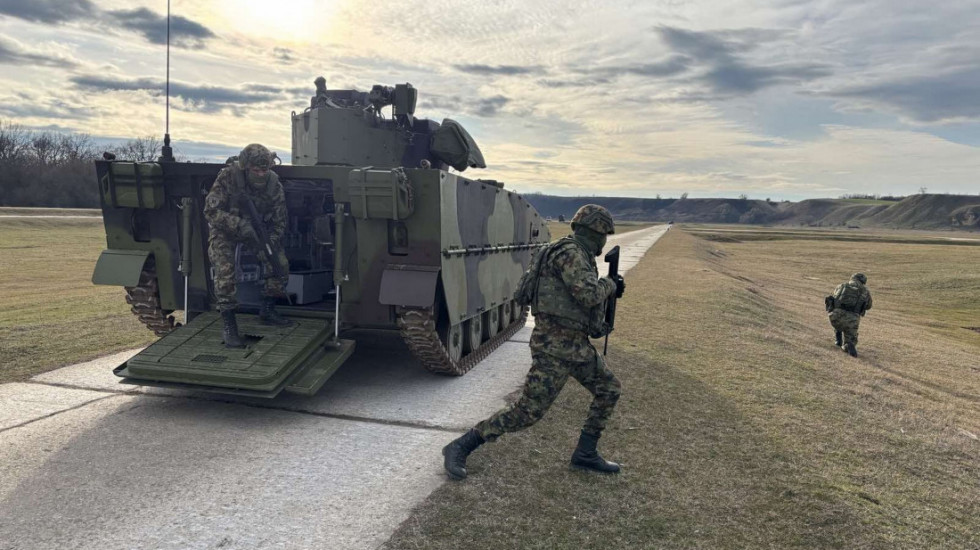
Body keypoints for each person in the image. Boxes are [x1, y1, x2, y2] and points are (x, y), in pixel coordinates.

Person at [442, 204, 626, 480]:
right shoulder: (571, 253)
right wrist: (611, 284)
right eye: (604, 235)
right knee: (527, 412)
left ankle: (585, 453)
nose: (604, 242)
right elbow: (588, 294)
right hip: (555, 348)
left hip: (573, 346)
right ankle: (461, 445)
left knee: (609, 389)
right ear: (596, 231)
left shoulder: (564, 251)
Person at [203, 143, 293, 348]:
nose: (261, 174)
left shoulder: (274, 185)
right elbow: (210, 211)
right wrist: (238, 224)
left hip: (256, 231)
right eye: (256, 170)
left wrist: (269, 241)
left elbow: (280, 221)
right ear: (246, 166)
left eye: (265, 169)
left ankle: (268, 309)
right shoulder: (228, 177)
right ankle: (229, 325)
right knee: (225, 271)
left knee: (278, 263)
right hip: (226, 229)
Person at [827, 273, 873, 357]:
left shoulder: (842, 286)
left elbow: (834, 298)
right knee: (850, 333)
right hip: (852, 321)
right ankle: (848, 345)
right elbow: (868, 306)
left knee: (839, 321)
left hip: (835, 318)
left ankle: (838, 338)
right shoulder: (865, 291)